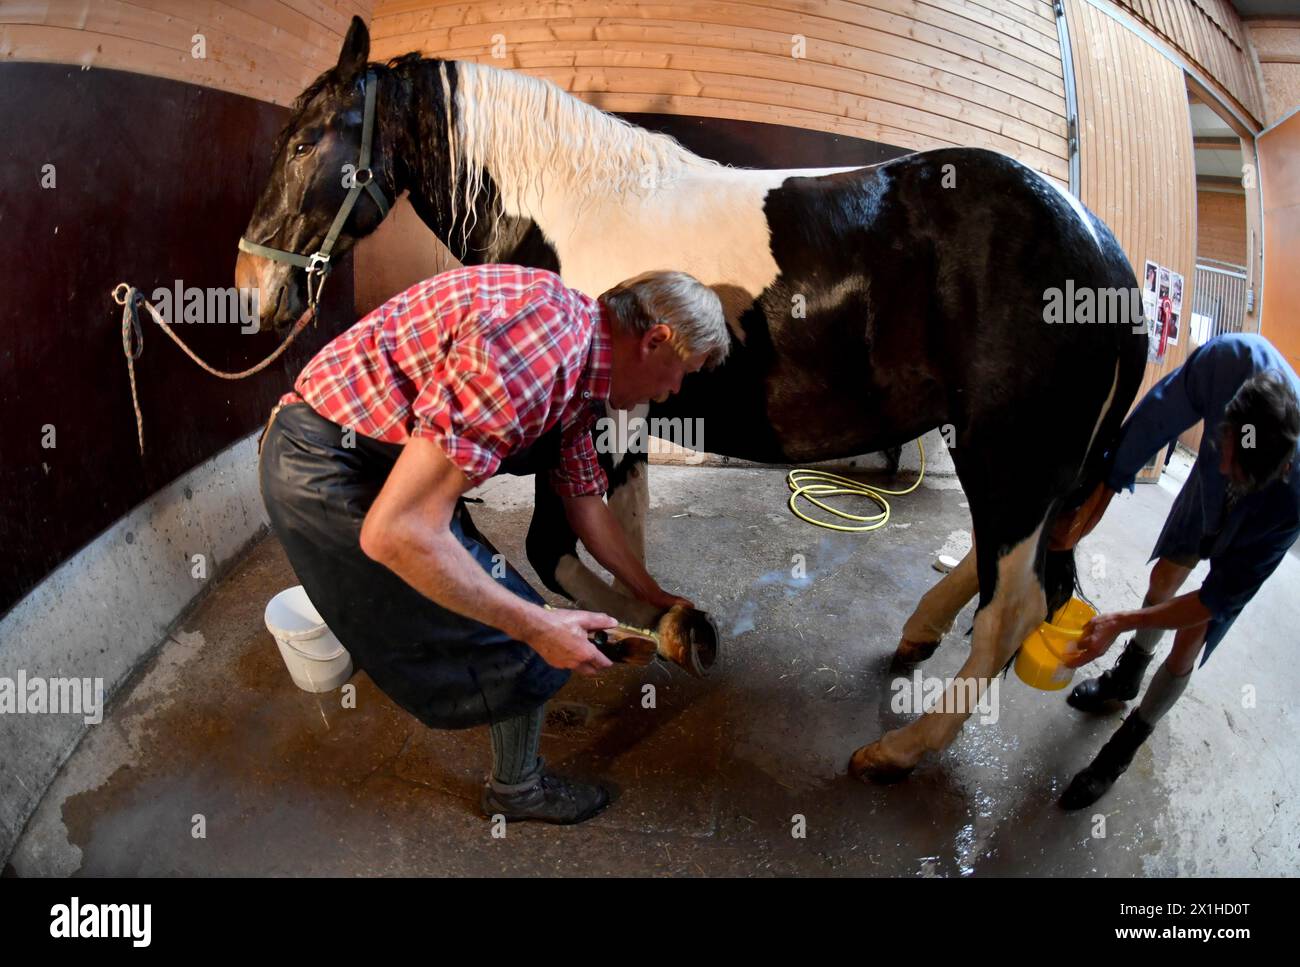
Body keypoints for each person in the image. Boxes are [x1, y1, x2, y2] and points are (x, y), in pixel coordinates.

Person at [258, 264, 730, 824]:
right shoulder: (540, 347)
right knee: (517, 638)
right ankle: (517, 792)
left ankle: (384, 632)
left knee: (496, 613)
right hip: (328, 468)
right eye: (681, 374)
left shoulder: (581, 363)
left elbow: (583, 501)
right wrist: (537, 626)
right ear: (655, 341)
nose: (674, 392)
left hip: (380, 462)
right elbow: (398, 530)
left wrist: (653, 596)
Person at [1052, 333, 1300, 810]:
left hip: (1262, 516)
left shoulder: (1290, 502)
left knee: (1192, 632)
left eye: (1241, 471)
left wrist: (1119, 621)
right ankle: (1126, 678)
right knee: (1164, 578)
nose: (1234, 470)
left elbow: (1215, 597)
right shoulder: (1226, 364)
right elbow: (1155, 418)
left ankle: (1126, 744)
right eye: (1230, 451)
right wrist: (1103, 490)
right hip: (1208, 481)